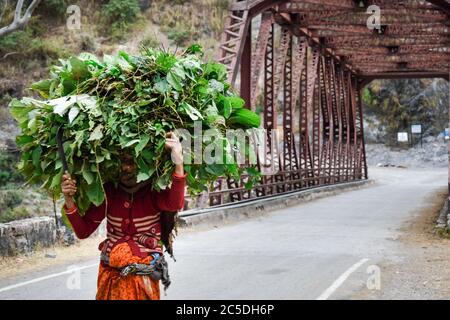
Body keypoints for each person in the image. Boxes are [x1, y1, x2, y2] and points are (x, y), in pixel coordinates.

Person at [61, 132, 186, 300]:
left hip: (142, 279)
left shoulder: (154, 193)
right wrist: (69, 200)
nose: (125, 168)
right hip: (109, 278)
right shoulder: (108, 193)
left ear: (145, 164)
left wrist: (178, 161)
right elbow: (83, 232)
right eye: (121, 162)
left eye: (131, 162)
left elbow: (175, 203)